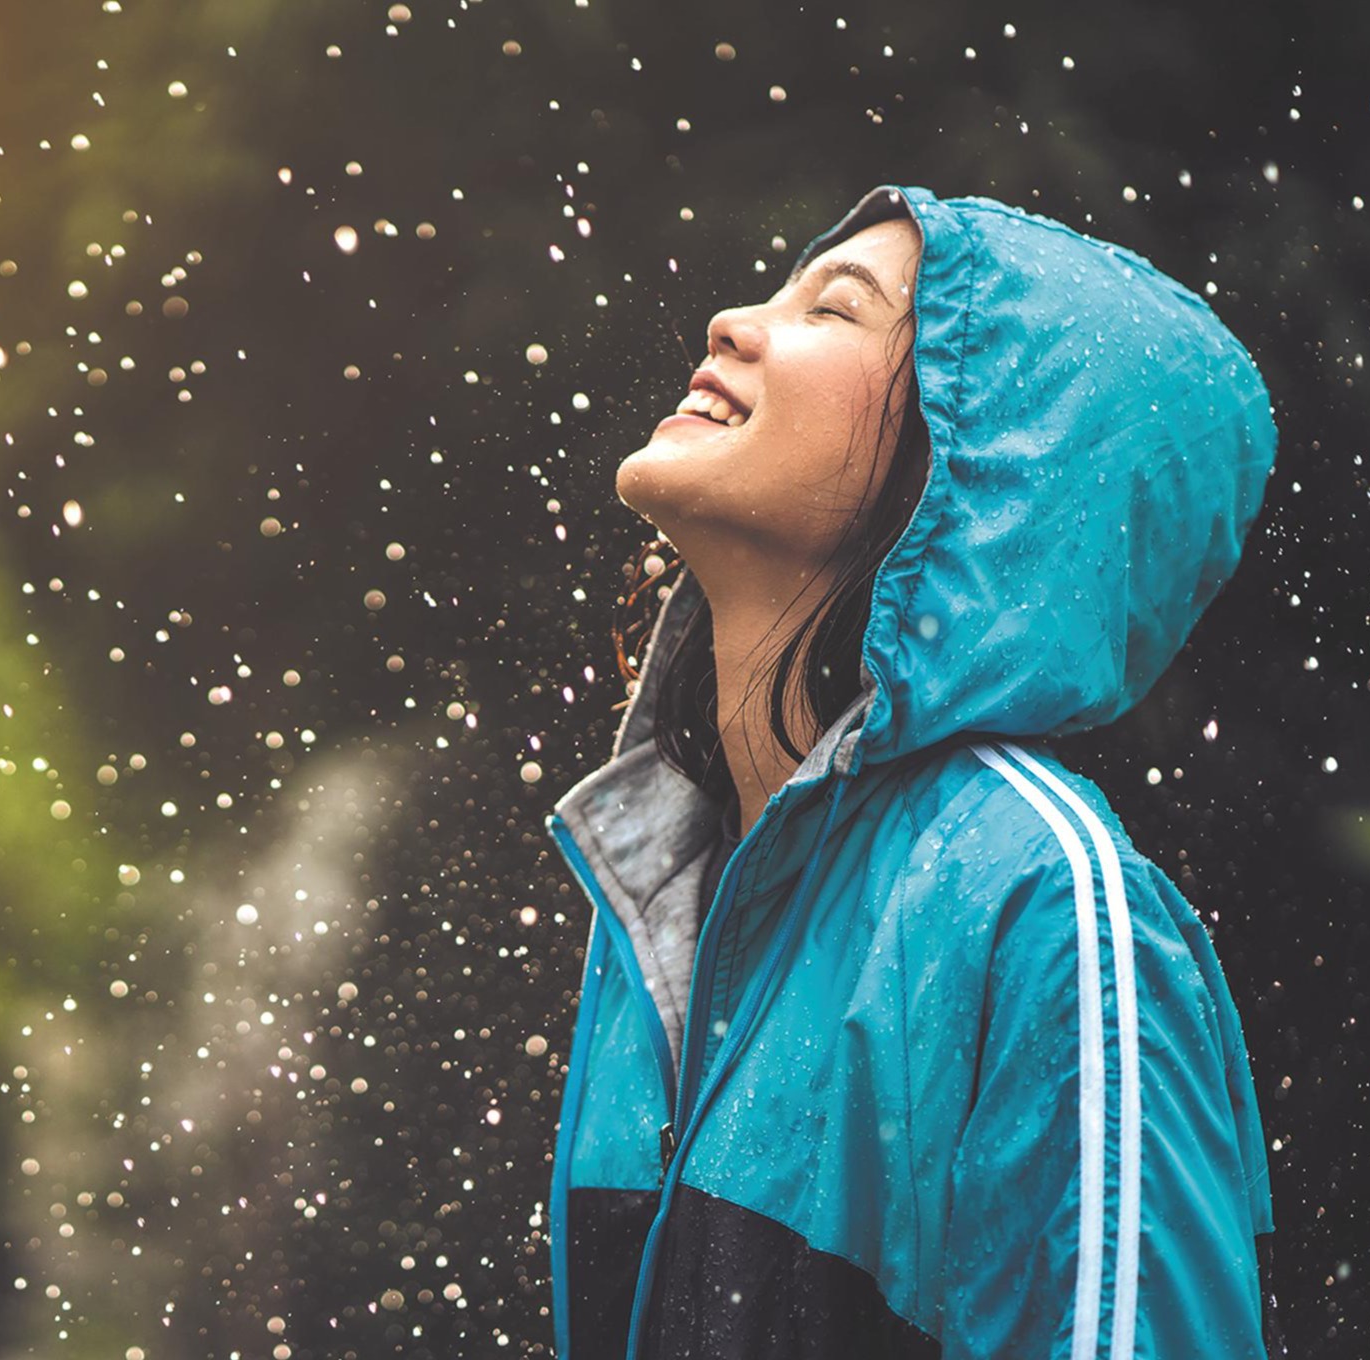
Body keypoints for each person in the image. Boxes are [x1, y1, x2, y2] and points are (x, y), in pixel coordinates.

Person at [543, 184, 1283, 1359]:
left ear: (979, 463)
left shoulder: (1046, 905)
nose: (732, 321)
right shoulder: (669, 877)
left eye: (833, 310)